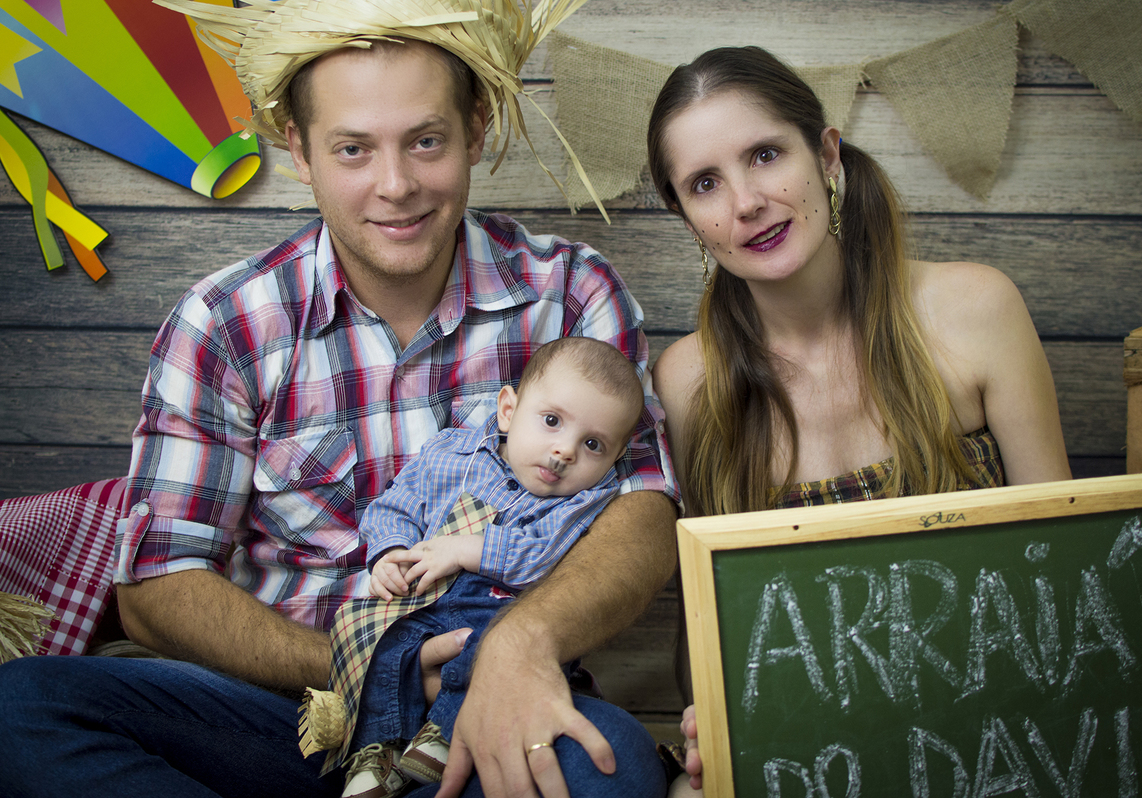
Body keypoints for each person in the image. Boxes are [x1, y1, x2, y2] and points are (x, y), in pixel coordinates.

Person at [0, 2, 680, 797]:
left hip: (484, 698)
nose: (395, 186)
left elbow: (643, 516)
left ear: (477, 127)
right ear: (299, 149)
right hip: (280, 716)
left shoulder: (569, 293)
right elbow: (156, 585)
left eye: (426, 141)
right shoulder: (224, 323)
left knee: (615, 769)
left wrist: (519, 641)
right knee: (24, 709)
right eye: (353, 149)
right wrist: (373, 666)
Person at [642, 46, 1072, 795]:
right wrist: (713, 718)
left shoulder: (975, 311)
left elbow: (1067, 567)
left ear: (828, 155)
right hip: (814, 751)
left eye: (766, 155)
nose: (745, 203)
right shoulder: (689, 381)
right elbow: (707, 639)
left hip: (999, 729)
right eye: (705, 183)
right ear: (687, 217)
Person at [312, 336, 646, 797]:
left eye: (592, 444)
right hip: (420, 600)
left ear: (614, 456)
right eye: (551, 421)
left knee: (490, 650)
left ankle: (445, 733)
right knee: (379, 647)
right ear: (508, 410)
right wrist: (390, 552)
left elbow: (540, 557)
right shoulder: (453, 453)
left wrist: (465, 549)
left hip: (497, 609)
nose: (564, 451)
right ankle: (377, 749)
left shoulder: (583, 501)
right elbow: (398, 505)